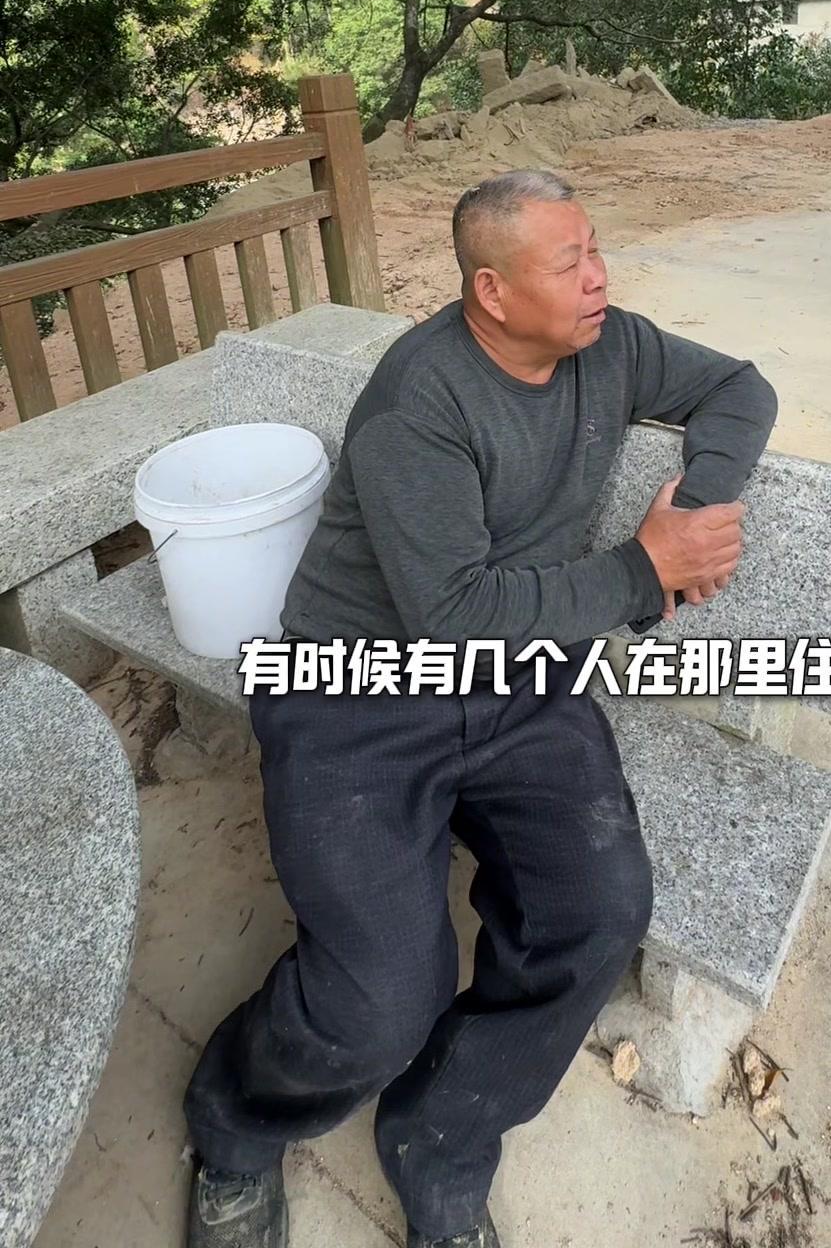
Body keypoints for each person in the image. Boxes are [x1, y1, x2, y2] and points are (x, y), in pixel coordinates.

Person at [184, 169, 777, 1248]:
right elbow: (452, 615)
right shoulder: (420, 401)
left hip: (520, 687)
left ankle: (443, 1143)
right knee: (379, 1000)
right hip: (357, 692)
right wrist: (646, 570)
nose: (599, 279)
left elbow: (739, 387)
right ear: (492, 292)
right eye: (570, 263)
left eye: (595, 250)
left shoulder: (611, 346)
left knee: (596, 913)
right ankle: (234, 1127)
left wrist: (694, 513)